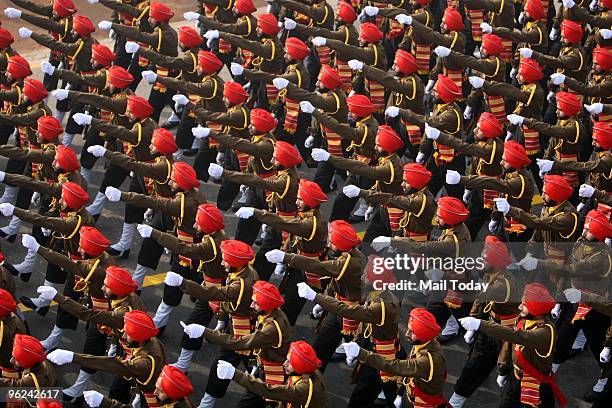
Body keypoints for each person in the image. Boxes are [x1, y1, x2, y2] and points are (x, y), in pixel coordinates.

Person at [216, 340, 328, 408]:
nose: (284, 363)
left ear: (301, 367)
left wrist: (235, 374)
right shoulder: (307, 371)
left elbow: (268, 390)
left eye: (290, 362)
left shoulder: (304, 387)